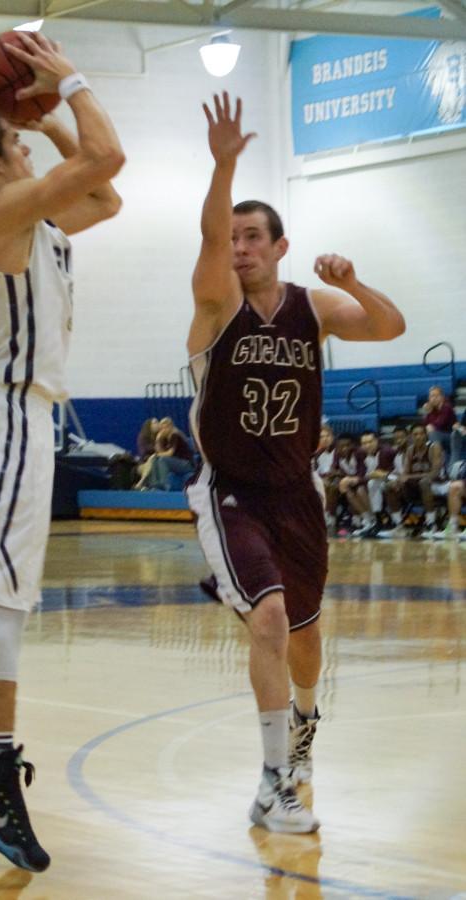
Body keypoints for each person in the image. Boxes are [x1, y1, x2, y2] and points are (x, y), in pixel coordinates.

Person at [0, 31, 125, 871]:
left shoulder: (28, 210)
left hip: (20, 422)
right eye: (14, 138)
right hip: (5, 417)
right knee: (3, 602)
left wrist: (42, 122)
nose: (26, 142)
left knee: (7, 600)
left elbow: (105, 195)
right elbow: (109, 151)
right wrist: (66, 85)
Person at [185, 92, 404, 834]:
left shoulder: (310, 308)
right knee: (272, 619)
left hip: (295, 493)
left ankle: (304, 728)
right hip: (231, 491)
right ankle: (271, 783)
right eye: (234, 237)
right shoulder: (216, 306)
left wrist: (352, 280)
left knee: (306, 633)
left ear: (280, 247)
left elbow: (387, 324)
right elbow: (210, 246)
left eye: (254, 238)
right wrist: (223, 168)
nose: (240, 248)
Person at [379, 424, 445, 539]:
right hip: (416, 486)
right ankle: (399, 525)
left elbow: (434, 473)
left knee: (424, 482)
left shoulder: (434, 447)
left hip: (438, 484)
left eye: (421, 433)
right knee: (389, 486)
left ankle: (431, 524)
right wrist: (400, 481)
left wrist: (410, 477)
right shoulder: (410, 450)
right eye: (415, 434)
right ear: (411, 437)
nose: (419, 437)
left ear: (426, 435)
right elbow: (405, 474)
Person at [137, 417, 195, 490]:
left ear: (170, 427)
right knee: (155, 459)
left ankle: (164, 485)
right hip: (175, 462)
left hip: (186, 463)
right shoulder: (164, 438)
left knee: (162, 460)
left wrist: (157, 455)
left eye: (165, 428)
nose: (163, 430)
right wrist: (158, 439)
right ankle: (154, 486)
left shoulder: (175, 435)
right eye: (161, 428)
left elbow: (170, 453)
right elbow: (160, 452)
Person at [357, 430, 396, 537]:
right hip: (377, 481)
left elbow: (386, 471)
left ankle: (387, 522)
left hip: (394, 477)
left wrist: (376, 474)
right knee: (368, 485)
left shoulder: (386, 451)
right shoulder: (360, 454)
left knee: (374, 482)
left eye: (370, 442)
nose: (367, 445)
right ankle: (375, 520)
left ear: (377, 441)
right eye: (364, 443)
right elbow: (362, 474)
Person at [422, 385, 456, 455]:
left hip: (451, 437)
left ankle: (436, 458)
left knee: (433, 434)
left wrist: (430, 413)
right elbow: (424, 426)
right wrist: (427, 412)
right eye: (432, 396)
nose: (434, 398)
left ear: (442, 397)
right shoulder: (432, 409)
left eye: (437, 396)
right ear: (429, 398)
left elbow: (439, 424)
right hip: (437, 437)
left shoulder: (447, 407)